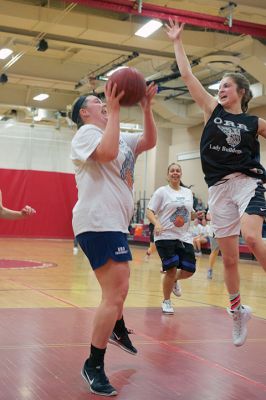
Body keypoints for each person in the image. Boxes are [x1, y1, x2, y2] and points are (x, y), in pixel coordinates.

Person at [166, 18, 266, 346]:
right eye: (218, 86)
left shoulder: (253, 122)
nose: (220, 90)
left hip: (248, 182)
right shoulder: (212, 111)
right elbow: (187, 76)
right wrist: (177, 42)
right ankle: (237, 311)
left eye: (226, 86)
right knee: (230, 257)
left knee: (251, 236)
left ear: (241, 93)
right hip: (218, 190)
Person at [70, 80, 157, 396]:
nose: (103, 102)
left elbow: (149, 140)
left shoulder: (118, 136)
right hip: (97, 220)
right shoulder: (87, 134)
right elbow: (105, 154)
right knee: (115, 291)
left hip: (114, 223)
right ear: (85, 112)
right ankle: (93, 364)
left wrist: (147, 108)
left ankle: (118, 327)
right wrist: (117, 110)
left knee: (120, 288)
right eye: (97, 100)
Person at [146, 163, 197, 315]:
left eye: (178, 170)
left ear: (181, 174)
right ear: (168, 175)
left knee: (189, 270)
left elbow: (190, 213)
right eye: (172, 171)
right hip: (165, 236)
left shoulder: (188, 192)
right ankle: (167, 301)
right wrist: (157, 223)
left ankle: (174, 280)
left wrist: (197, 215)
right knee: (171, 269)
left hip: (184, 237)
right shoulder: (162, 192)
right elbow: (149, 211)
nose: (175, 173)